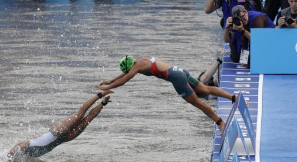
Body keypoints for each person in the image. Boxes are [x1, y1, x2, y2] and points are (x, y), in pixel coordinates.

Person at [98, 56, 241, 130]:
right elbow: (123, 75)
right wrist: (109, 81)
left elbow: (124, 80)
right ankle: (233, 98)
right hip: (180, 71)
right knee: (205, 89)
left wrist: (106, 88)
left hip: (176, 79)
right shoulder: (141, 59)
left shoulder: (137, 66)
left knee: (198, 103)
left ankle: (220, 122)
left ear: (130, 66)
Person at [8, 90, 112, 158]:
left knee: (80, 115)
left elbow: (12, 151)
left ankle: (99, 94)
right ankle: (103, 103)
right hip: (63, 139)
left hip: (56, 132)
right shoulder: (27, 157)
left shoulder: (24, 145)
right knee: (87, 121)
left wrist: (8, 157)